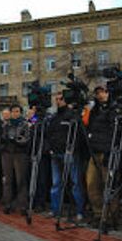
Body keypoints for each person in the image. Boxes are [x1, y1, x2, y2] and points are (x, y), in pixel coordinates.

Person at [46, 92, 86, 221]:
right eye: (56, 99)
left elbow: (79, 135)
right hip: (56, 154)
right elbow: (49, 134)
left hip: (70, 153)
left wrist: (73, 149)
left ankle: (79, 211)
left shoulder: (72, 116)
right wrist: (50, 149)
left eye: (61, 99)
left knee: (75, 183)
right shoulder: (54, 117)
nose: (58, 101)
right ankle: (55, 209)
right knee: (56, 183)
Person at [83, 86, 117, 223]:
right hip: (94, 151)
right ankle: (98, 213)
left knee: (108, 184)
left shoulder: (113, 109)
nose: (101, 95)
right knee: (91, 183)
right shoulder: (95, 111)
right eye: (98, 93)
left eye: (103, 92)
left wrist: (111, 149)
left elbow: (115, 130)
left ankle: (110, 216)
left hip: (107, 151)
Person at [0, 104, 30, 214]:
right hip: (7, 153)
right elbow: (1, 138)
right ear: (10, 113)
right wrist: (4, 140)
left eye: (17, 111)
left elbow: (26, 139)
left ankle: (23, 206)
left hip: (20, 153)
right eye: (13, 111)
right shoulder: (6, 125)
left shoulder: (25, 124)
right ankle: (7, 204)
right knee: (8, 180)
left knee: (20, 180)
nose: (15, 113)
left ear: (20, 112)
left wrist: (16, 140)